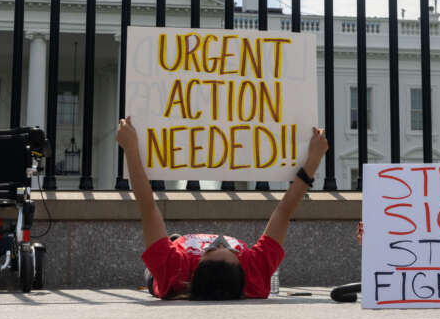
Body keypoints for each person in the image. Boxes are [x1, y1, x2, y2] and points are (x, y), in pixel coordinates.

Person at [115, 116, 330, 300]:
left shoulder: (174, 271)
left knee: (159, 265)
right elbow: (284, 211)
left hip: (167, 262)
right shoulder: (255, 276)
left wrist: (131, 150)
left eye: (208, 251)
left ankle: (169, 247)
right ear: (242, 271)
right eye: (229, 250)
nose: (219, 242)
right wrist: (314, 160)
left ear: (194, 271)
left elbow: (148, 207)